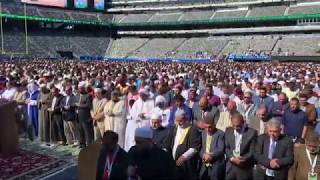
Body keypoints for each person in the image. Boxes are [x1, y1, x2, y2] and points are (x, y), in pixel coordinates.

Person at [163, 109, 201, 180]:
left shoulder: (193, 129)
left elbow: (195, 147)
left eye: (181, 121)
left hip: (187, 164)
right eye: (177, 121)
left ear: (186, 118)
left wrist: (184, 157)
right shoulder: (174, 128)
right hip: (174, 164)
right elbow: (166, 144)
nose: (179, 123)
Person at [225, 112, 257, 180]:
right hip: (231, 166)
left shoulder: (252, 132)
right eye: (234, 125)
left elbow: (252, 151)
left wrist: (242, 159)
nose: (236, 128)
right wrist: (232, 158)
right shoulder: (228, 131)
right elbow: (226, 148)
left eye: (238, 126)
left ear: (243, 122)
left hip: (244, 167)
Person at [199, 115, 225, 180]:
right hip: (204, 164)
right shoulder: (203, 133)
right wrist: (204, 155)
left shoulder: (220, 134)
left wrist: (210, 155)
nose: (207, 129)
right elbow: (201, 148)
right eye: (206, 127)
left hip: (216, 164)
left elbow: (220, 149)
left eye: (210, 127)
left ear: (214, 125)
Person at [76, 82, 94, 148]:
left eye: (80, 89)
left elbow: (88, 105)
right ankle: (82, 144)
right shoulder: (78, 95)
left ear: (84, 89)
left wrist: (79, 105)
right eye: (78, 89)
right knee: (80, 130)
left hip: (85, 116)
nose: (79, 90)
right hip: (78, 116)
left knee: (87, 131)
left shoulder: (88, 95)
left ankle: (89, 145)